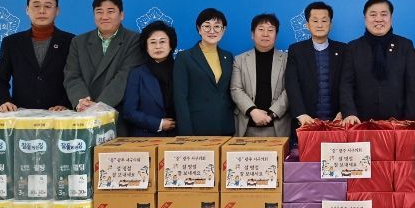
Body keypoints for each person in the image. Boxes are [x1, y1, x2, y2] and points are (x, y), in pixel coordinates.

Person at [64, 0, 144, 134]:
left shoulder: (134, 40)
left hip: (116, 114)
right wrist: (82, 101)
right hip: (83, 115)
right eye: (99, 12)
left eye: (110, 11)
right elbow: (72, 76)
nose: (104, 16)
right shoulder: (78, 41)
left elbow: (124, 76)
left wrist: (99, 107)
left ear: (121, 15)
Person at [0, 0, 74, 112]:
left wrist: (65, 104)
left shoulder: (71, 41)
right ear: (27, 10)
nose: (42, 11)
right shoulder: (12, 42)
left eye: (48, 6)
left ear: (57, 11)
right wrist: (3, 101)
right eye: (36, 6)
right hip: (21, 115)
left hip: (60, 115)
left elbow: (76, 79)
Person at [341, 0, 415, 124]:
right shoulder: (353, 47)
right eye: (373, 15)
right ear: (365, 19)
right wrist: (349, 113)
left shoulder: (405, 45)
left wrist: (409, 119)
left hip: (398, 122)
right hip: (361, 121)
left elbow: (412, 86)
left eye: (384, 14)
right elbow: (346, 84)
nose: (378, 19)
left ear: (391, 18)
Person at [285, 1, 347, 130]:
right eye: (315, 21)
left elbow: (348, 83)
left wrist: (344, 111)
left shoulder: (343, 50)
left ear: (330, 24)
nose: (319, 25)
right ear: (307, 25)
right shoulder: (296, 50)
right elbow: (292, 84)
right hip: (306, 122)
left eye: (324, 20)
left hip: (337, 122)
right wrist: (301, 114)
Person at [173, 8, 235, 136]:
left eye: (217, 26)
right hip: (197, 127)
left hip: (225, 126)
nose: (212, 31)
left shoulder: (228, 57)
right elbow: (180, 98)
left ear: (223, 29)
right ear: (199, 29)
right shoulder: (185, 57)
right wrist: (186, 133)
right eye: (206, 26)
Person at [231, 13, 290, 136]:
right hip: (246, 126)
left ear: (276, 35)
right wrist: (253, 111)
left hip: (277, 127)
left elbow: (290, 90)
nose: (265, 34)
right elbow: (236, 89)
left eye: (270, 30)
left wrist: (271, 114)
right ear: (252, 34)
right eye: (261, 29)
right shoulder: (240, 60)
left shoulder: (287, 59)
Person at [122, 21, 178, 137]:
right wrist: (159, 124)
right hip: (146, 137)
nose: (158, 46)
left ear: (171, 45)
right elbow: (129, 111)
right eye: (153, 42)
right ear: (146, 47)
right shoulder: (137, 73)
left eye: (162, 41)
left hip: (180, 137)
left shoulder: (181, 69)